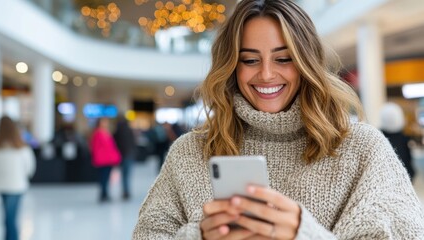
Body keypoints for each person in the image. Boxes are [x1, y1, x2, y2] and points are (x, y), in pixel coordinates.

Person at [133, 0, 424, 239]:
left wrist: (305, 234)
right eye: (249, 60)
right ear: (232, 66)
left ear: (306, 62)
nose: (267, 74)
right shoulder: (189, 153)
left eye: (283, 58)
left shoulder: (362, 147)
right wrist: (200, 236)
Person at [0, 116, 36, 240]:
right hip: (17, 186)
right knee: (11, 217)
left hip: (1, 186)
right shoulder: (22, 148)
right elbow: (30, 168)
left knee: (8, 217)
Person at [380, 102, 416, 181]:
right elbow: (408, 160)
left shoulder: (379, 136)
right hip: (403, 177)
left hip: (385, 178)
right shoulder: (404, 138)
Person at [89, 117, 121, 202]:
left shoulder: (106, 132)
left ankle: (105, 193)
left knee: (106, 178)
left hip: (108, 159)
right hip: (102, 160)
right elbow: (95, 147)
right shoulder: (98, 133)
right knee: (103, 177)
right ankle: (103, 194)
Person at [113, 116, 136, 200]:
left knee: (123, 174)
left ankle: (125, 191)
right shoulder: (129, 130)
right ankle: (127, 191)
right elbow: (133, 142)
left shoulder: (117, 131)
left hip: (122, 155)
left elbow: (114, 144)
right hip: (129, 155)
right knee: (127, 174)